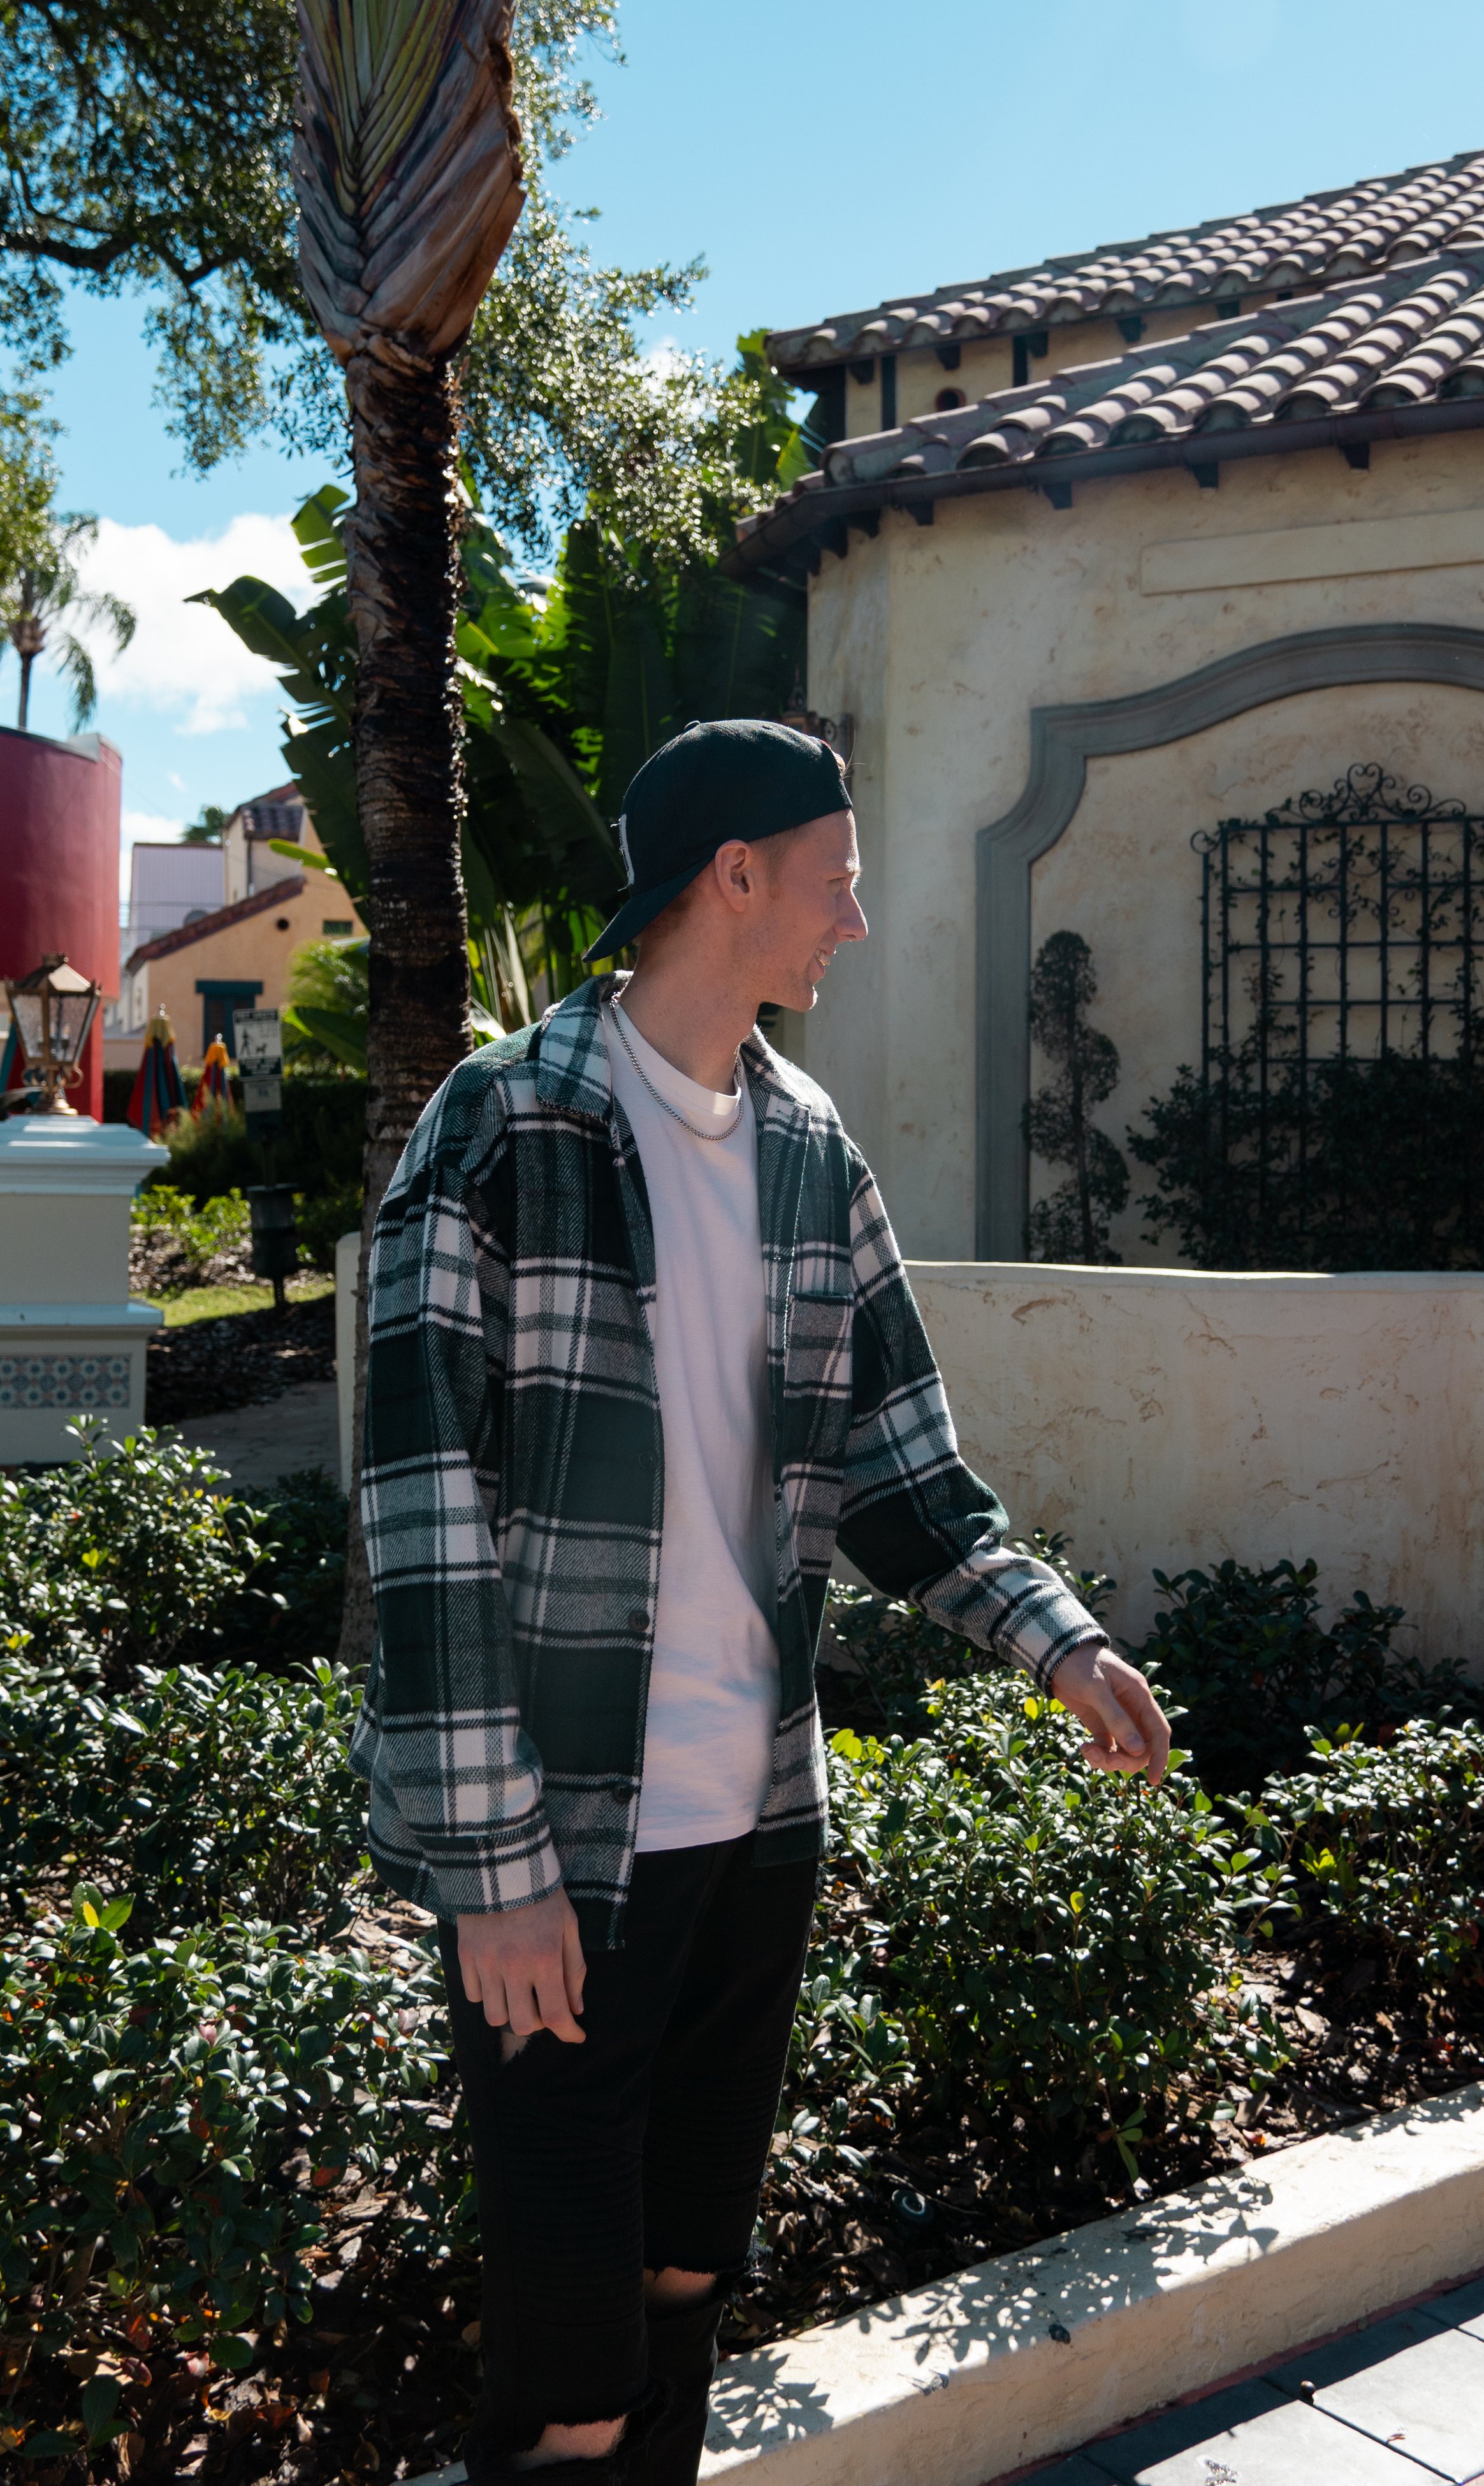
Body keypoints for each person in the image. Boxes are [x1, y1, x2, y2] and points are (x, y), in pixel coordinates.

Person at [351, 718, 1170, 2486]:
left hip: (757, 1829)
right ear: (733, 877)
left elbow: (904, 1474)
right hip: (563, 1849)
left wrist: (1062, 1638)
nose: (852, 921)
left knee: (681, 2283)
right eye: (835, 879)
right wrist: (490, 1869)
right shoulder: (502, 1122)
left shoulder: (811, 1151)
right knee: (569, 2383)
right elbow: (421, 1515)